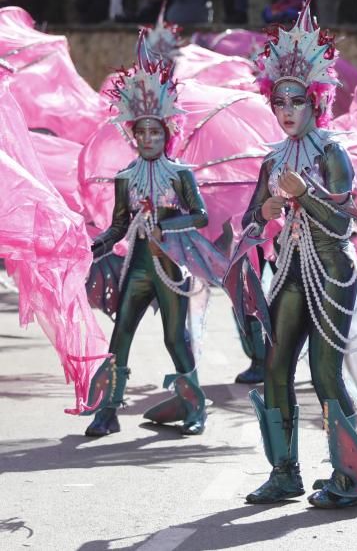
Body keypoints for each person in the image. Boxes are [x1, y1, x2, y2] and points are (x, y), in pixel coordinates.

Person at [241, 0, 357, 507]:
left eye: (297, 100)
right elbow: (252, 220)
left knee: (323, 370)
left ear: (315, 100)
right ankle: (285, 472)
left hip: (333, 272)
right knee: (275, 366)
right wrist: (266, 213)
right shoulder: (272, 159)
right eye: (279, 100)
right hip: (290, 270)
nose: (287, 109)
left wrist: (306, 193)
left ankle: (348, 475)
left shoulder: (333, 152)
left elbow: (343, 224)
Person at [80, 31, 211, 437]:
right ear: (133, 135)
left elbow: (201, 216)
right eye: (143, 133)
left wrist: (166, 225)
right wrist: (94, 245)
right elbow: (120, 225)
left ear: (167, 133)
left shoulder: (181, 174)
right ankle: (108, 411)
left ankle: (194, 408)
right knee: (120, 335)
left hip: (170, 266)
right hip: (136, 267)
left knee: (176, 337)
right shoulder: (125, 178)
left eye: (156, 132)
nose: (150, 139)